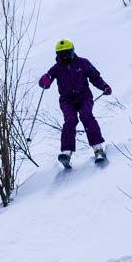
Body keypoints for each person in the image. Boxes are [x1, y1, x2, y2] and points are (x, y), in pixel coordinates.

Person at [39, 39, 112, 167]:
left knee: (86, 116)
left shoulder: (82, 63)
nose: (65, 57)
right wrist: (44, 81)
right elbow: (46, 81)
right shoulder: (57, 68)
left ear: (73, 51)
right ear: (57, 55)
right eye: (61, 54)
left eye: (67, 53)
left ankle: (98, 149)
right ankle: (66, 153)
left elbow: (94, 76)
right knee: (70, 120)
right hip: (67, 101)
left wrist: (104, 86)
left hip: (84, 97)